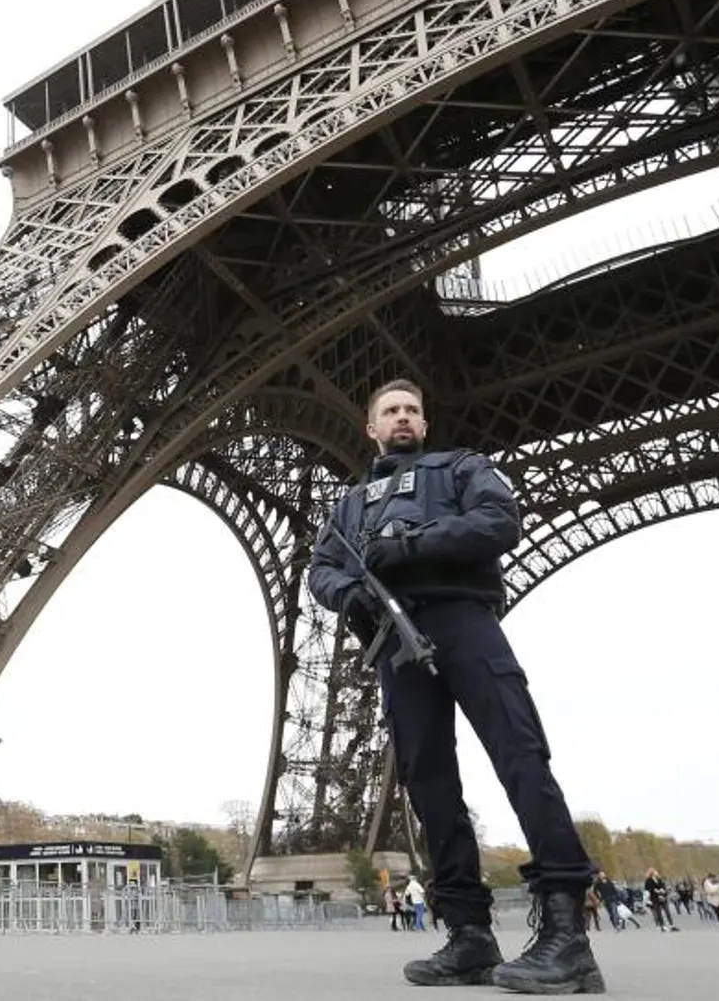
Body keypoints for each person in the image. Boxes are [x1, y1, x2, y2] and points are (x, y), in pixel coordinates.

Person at [307, 379, 600, 995]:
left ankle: (567, 932)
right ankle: (469, 933)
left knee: (520, 756)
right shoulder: (348, 506)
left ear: (424, 420)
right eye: (391, 411)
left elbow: (500, 521)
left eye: (412, 409)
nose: (403, 417)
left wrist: (408, 545)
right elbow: (321, 571)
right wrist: (353, 591)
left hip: (463, 621)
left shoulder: (463, 468)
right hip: (395, 637)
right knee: (429, 782)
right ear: (372, 427)